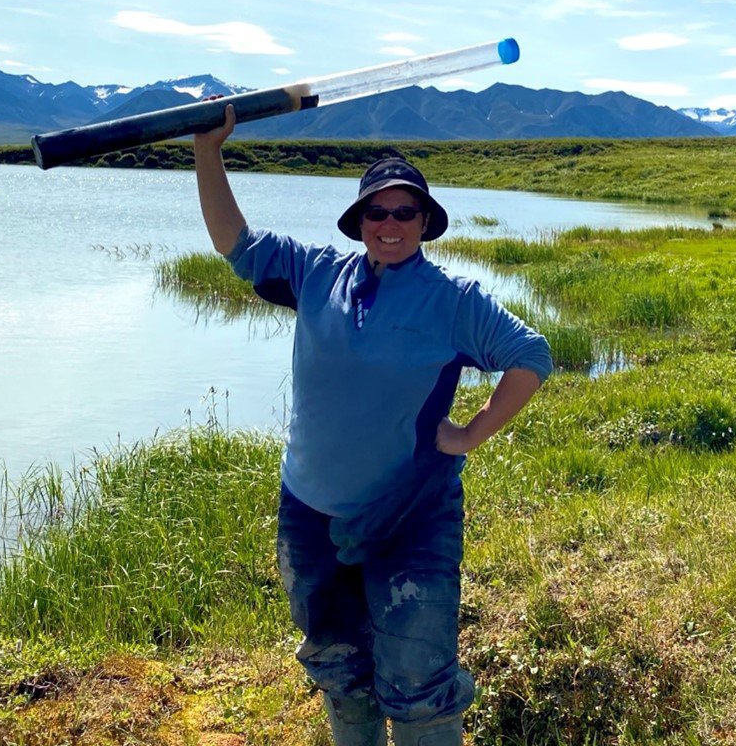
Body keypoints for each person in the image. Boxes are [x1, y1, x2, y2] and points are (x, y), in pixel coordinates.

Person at [193, 103, 552, 746]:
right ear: (359, 221)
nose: (390, 224)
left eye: (405, 212)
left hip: (409, 517)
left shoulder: (453, 301)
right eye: (377, 212)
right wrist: (207, 152)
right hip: (310, 515)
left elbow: (530, 356)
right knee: (338, 669)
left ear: (425, 222)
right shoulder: (315, 273)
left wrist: (470, 433)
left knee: (418, 687)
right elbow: (235, 244)